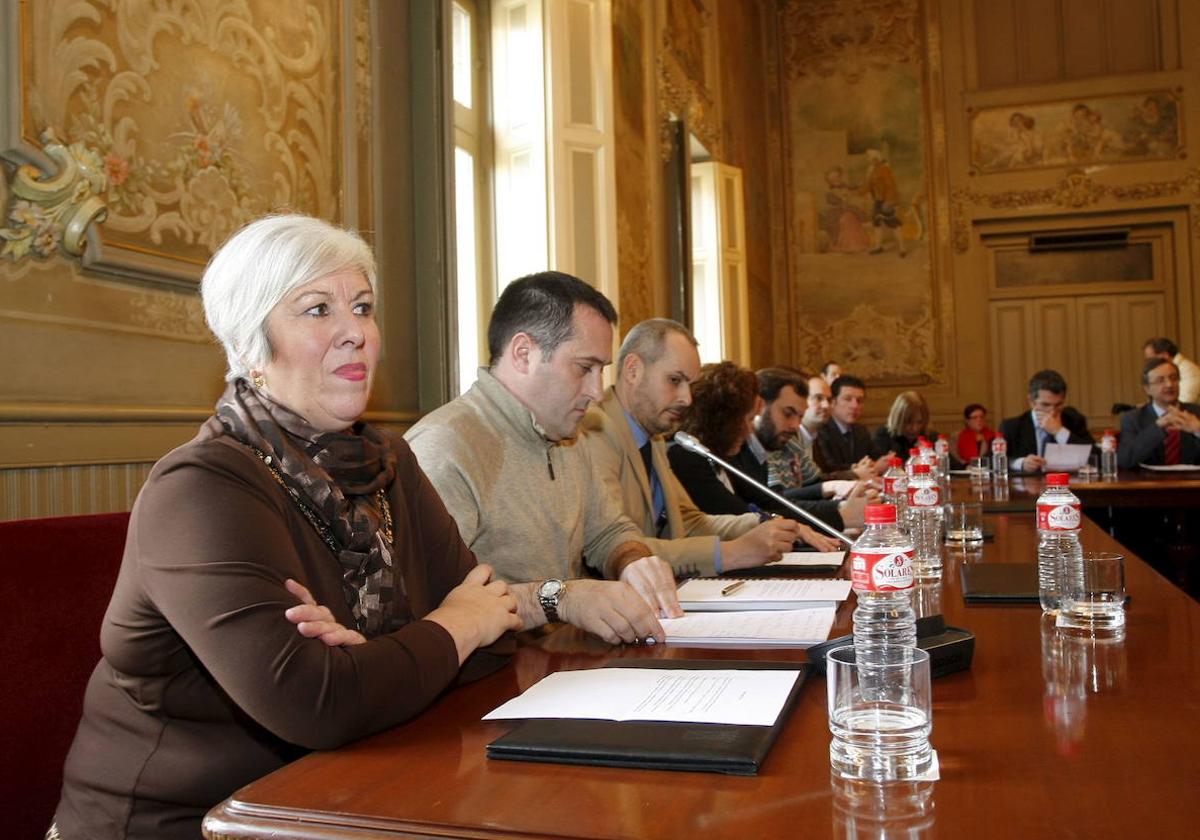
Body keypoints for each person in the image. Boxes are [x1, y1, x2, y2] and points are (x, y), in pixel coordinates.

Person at [50, 215, 525, 840]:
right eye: (317, 310)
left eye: (362, 306)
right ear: (250, 346)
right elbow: (317, 703)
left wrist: (378, 658)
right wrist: (451, 625)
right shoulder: (201, 487)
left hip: (342, 794)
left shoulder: (390, 461)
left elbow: (497, 637)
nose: (355, 332)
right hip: (182, 819)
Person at [405, 272, 680, 644]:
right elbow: (438, 600)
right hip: (486, 684)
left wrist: (633, 560)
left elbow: (609, 532)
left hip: (558, 665)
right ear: (524, 354)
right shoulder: (444, 448)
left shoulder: (569, 433)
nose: (598, 392)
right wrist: (559, 599)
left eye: (602, 372)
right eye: (585, 368)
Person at [579, 319, 807, 574]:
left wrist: (766, 524)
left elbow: (687, 521)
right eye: (675, 380)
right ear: (633, 370)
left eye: (690, 384)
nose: (687, 399)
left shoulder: (652, 435)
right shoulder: (595, 430)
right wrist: (732, 553)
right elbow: (615, 547)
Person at [666, 364, 854, 542]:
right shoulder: (687, 457)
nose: (749, 430)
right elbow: (740, 516)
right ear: (723, 420)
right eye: (747, 420)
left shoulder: (724, 456)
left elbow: (768, 501)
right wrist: (835, 515)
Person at [999, 369, 1093, 473]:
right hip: (1028, 486)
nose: (1052, 412)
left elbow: (1095, 457)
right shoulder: (1012, 427)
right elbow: (992, 461)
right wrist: (1020, 463)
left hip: (1066, 485)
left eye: (1058, 405)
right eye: (1045, 405)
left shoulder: (1075, 421)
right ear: (1031, 402)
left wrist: (1059, 431)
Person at [1118, 358, 1200, 467]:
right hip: (1150, 482)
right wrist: (1158, 426)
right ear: (1147, 389)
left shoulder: (1196, 413)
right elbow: (1125, 460)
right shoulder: (1132, 419)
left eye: (1174, 378)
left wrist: (1198, 430)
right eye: (1160, 380)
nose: (1169, 384)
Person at [814, 374, 891, 475]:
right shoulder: (821, 429)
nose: (855, 406)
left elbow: (876, 455)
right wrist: (874, 467)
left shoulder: (861, 430)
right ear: (832, 402)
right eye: (847, 399)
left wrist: (887, 459)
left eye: (859, 401)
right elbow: (829, 468)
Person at [870, 390, 953, 463]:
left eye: (919, 422)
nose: (915, 428)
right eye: (908, 422)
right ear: (898, 420)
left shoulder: (931, 436)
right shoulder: (883, 436)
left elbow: (954, 466)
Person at [1143, 337, 1200, 404]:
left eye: (1150, 359)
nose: (1149, 363)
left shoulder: (1189, 371)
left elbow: (1185, 402)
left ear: (1165, 355)